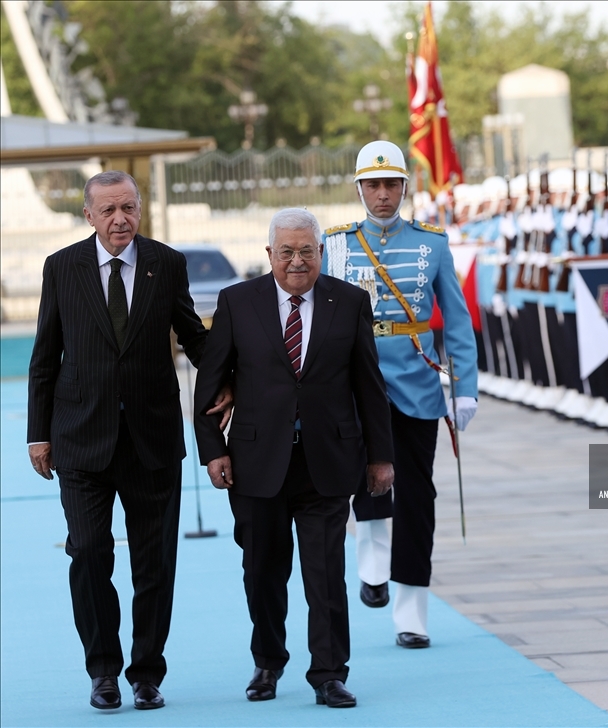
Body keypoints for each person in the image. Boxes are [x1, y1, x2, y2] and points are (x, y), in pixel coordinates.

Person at [27, 170, 230, 711]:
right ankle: (103, 671)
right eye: (109, 210)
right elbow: (45, 355)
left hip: (153, 440)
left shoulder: (167, 263)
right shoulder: (62, 267)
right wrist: (37, 436)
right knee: (89, 552)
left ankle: (145, 674)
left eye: (129, 208)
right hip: (80, 440)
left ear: (140, 210)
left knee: (154, 564)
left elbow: (192, 334)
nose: (121, 220)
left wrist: (229, 380)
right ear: (89, 216)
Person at [193, 208, 394, 708]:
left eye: (307, 250)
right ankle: (268, 662)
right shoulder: (238, 302)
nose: (298, 260)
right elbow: (211, 384)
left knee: (324, 573)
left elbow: (369, 386)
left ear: (321, 253)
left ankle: (329, 673)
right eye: (287, 251)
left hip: (328, 458)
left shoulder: (349, 302)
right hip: (256, 463)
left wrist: (381, 457)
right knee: (263, 570)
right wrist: (212, 451)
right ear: (270, 255)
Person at [322, 140, 478, 649]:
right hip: (354, 382)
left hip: (415, 381)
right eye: (373, 185)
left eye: (391, 185)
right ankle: (372, 564)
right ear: (360, 188)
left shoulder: (432, 243)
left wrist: (465, 387)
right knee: (363, 481)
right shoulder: (337, 244)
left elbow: (456, 319)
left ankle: (412, 611)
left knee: (417, 496)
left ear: (405, 187)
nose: (383, 195)